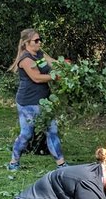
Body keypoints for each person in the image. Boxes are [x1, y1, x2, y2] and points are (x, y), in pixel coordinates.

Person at [6, 28, 65, 172]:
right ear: (27, 43)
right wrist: (55, 77)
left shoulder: (39, 54)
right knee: (26, 134)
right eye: (36, 40)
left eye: (40, 39)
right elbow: (37, 77)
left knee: (52, 131)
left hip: (44, 101)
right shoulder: (25, 59)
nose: (40, 42)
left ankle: (61, 165)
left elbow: (53, 62)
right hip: (28, 102)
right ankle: (14, 162)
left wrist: (67, 66)